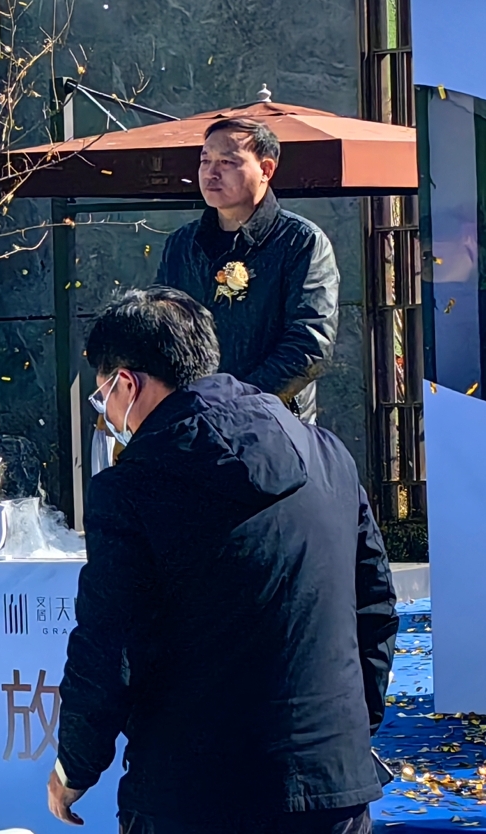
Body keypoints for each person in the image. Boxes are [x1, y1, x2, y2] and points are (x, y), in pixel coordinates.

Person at [48, 286, 397, 833]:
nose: (107, 415)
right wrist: (351, 731)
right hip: (333, 783)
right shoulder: (328, 454)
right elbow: (374, 606)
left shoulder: (132, 488)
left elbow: (109, 642)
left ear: (127, 384)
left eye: (103, 396)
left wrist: (75, 765)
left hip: (193, 789)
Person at [156, 117, 339, 423]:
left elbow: (310, 343)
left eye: (227, 162)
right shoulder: (182, 244)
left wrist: (237, 401)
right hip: (191, 422)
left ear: (266, 169)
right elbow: (158, 329)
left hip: (272, 423)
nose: (211, 173)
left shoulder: (300, 241)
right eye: (205, 161)